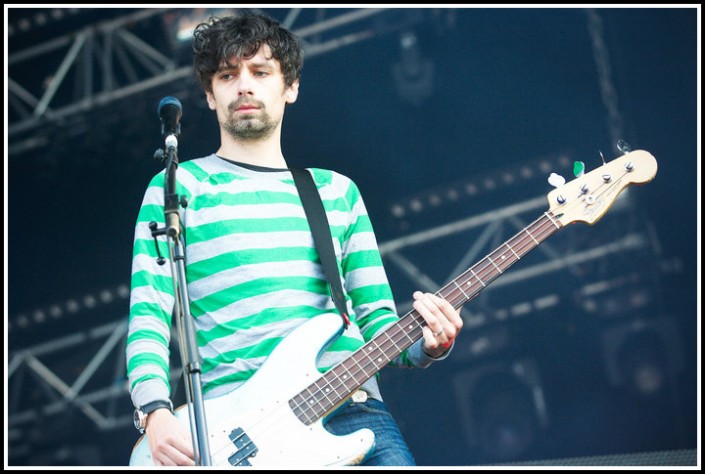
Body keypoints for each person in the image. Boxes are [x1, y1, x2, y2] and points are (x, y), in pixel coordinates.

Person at [126, 10, 463, 467]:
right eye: (227, 75)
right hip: (238, 437)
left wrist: (428, 344)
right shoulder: (179, 188)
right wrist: (154, 412)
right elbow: (148, 314)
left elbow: (378, 321)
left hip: (350, 409)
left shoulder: (335, 192)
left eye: (260, 72)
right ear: (209, 94)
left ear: (290, 87)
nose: (244, 85)